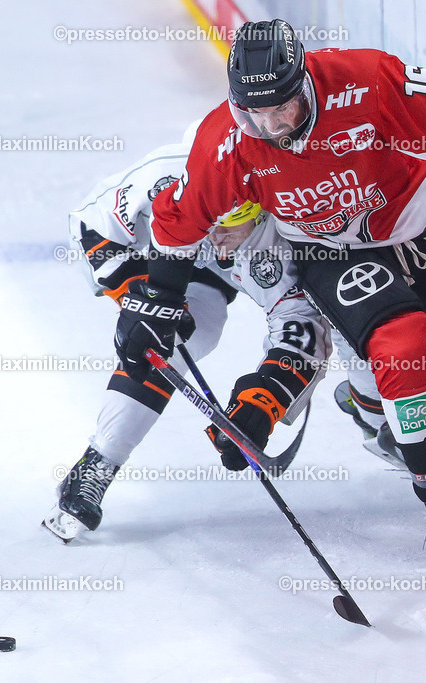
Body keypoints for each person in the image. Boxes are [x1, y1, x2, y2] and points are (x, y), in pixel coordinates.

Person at [123, 19, 426, 555]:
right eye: (256, 112)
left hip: (420, 231)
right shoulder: (226, 142)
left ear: (303, 80)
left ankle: (369, 403)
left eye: (283, 106)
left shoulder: (365, 81)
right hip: (330, 253)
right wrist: (158, 300)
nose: (273, 123)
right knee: (404, 345)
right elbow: (179, 221)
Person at [43, 128, 331, 542]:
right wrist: (135, 294)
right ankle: (99, 462)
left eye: (229, 230)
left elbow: (303, 326)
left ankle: (370, 410)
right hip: (155, 251)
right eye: (211, 227)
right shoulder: (164, 176)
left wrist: (264, 399)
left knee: (200, 327)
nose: (215, 241)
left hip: (207, 269)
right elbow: (90, 219)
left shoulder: (278, 224)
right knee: (179, 337)